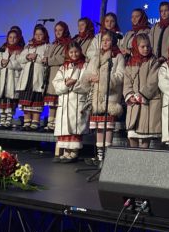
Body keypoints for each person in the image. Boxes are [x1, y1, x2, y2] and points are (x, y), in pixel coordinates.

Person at [82, 31, 125, 164]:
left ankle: (107, 156)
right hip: (97, 96)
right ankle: (100, 155)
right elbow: (88, 72)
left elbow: (120, 76)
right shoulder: (97, 56)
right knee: (100, 127)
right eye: (103, 40)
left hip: (110, 96)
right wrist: (90, 78)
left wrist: (102, 79)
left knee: (108, 126)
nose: (105, 42)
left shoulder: (117, 57)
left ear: (113, 42)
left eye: (108, 40)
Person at [52, 42, 89, 163]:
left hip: (77, 101)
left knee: (75, 126)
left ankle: (74, 152)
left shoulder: (85, 66)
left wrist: (73, 84)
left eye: (76, 52)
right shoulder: (64, 67)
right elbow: (56, 83)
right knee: (65, 128)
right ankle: (66, 151)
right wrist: (66, 84)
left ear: (80, 51)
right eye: (71, 52)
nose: (74, 54)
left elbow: (86, 84)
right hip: (65, 101)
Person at [123, 33, 161, 148]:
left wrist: (142, 95)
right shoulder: (131, 62)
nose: (146, 49)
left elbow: (153, 81)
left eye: (148, 46)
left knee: (145, 134)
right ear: (136, 46)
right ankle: (134, 156)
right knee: (132, 134)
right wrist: (130, 95)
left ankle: (144, 157)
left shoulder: (153, 61)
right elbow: (127, 81)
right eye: (142, 46)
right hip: (134, 104)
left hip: (147, 103)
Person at [17, 24, 50, 130]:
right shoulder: (29, 46)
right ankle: (27, 122)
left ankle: (35, 122)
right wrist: (27, 56)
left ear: (44, 35)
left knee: (36, 99)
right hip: (27, 77)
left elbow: (46, 60)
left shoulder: (47, 46)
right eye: (36, 34)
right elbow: (20, 59)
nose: (38, 36)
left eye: (40, 34)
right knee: (26, 99)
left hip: (38, 76)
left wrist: (37, 57)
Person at [43, 21, 71, 132]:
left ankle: (57, 123)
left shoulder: (68, 44)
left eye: (60, 30)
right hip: (51, 74)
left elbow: (63, 57)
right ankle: (50, 123)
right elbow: (47, 56)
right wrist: (45, 59)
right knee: (52, 102)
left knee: (58, 101)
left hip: (60, 73)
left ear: (65, 31)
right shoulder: (53, 44)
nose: (58, 32)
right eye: (56, 30)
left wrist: (49, 60)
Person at [0, 29, 23, 128]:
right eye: (10, 37)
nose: (12, 39)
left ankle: (8, 120)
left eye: (14, 37)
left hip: (12, 79)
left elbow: (20, 64)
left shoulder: (20, 51)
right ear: (7, 38)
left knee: (10, 100)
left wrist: (8, 63)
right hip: (2, 79)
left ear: (18, 39)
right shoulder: (1, 49)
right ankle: (2, 120)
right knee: (2, 100)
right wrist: (1, 62)